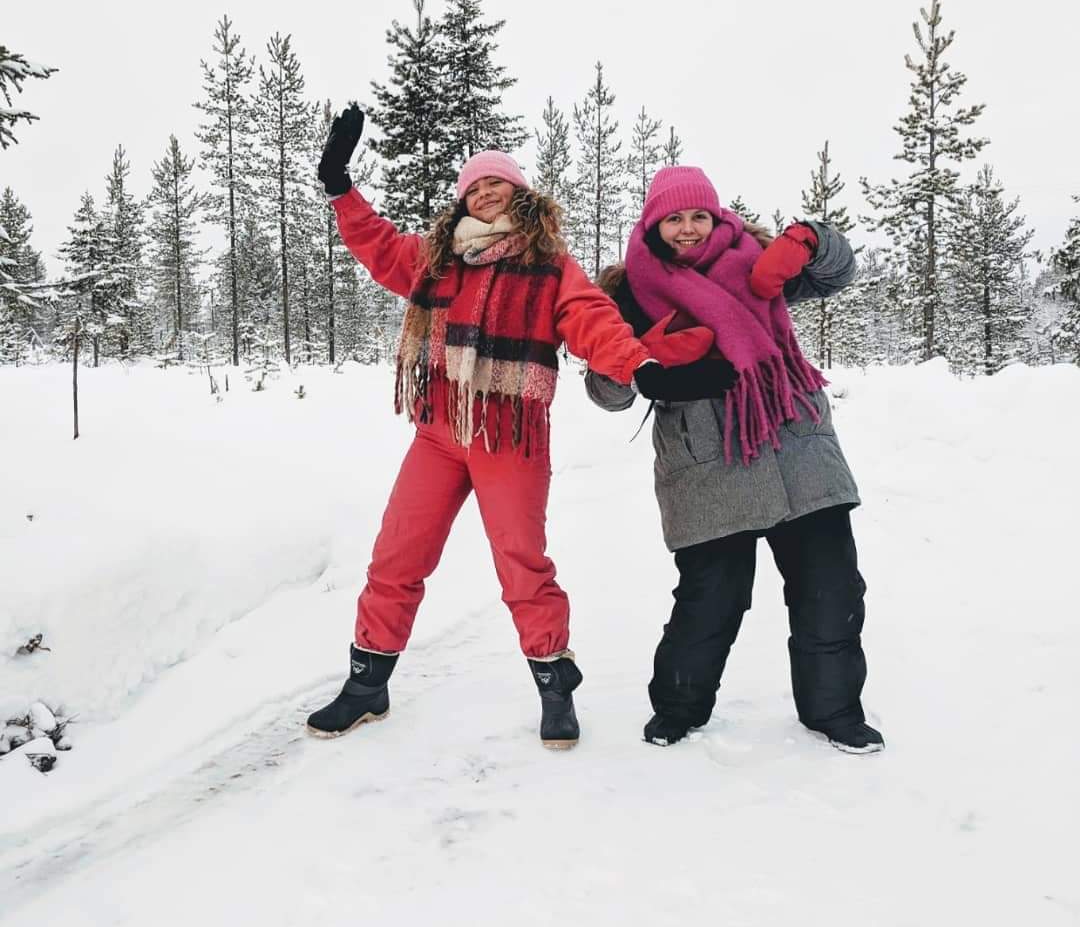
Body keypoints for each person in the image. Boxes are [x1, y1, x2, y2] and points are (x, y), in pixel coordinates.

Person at [306, 108, 731, 749]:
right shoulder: (436, 259)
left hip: (510, 436)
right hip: (439, 432)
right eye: (474, 186)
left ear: (519, 193)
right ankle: (367, 683)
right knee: (396, 556)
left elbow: (593, 320)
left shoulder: (550, 265)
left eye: (496, 183)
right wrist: (341, 185)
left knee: (522, 566)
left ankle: (554, 684)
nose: (485, 191)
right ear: (463, 202)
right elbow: (378, 244)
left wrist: (639, 365)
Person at [585, 165, 884, 754]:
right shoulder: (628, 293)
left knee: (831, 589)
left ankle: (835, 712)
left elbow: (837, 272)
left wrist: (810, 240)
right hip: (705, 465)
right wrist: (645, 370)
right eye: (675, 219)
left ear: (718, 216)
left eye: (699, 216)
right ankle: (678, 709)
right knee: (711, 599)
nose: (689, 229)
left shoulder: (754, 261)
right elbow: (605, 393)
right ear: (654, 223)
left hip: (797, 448)